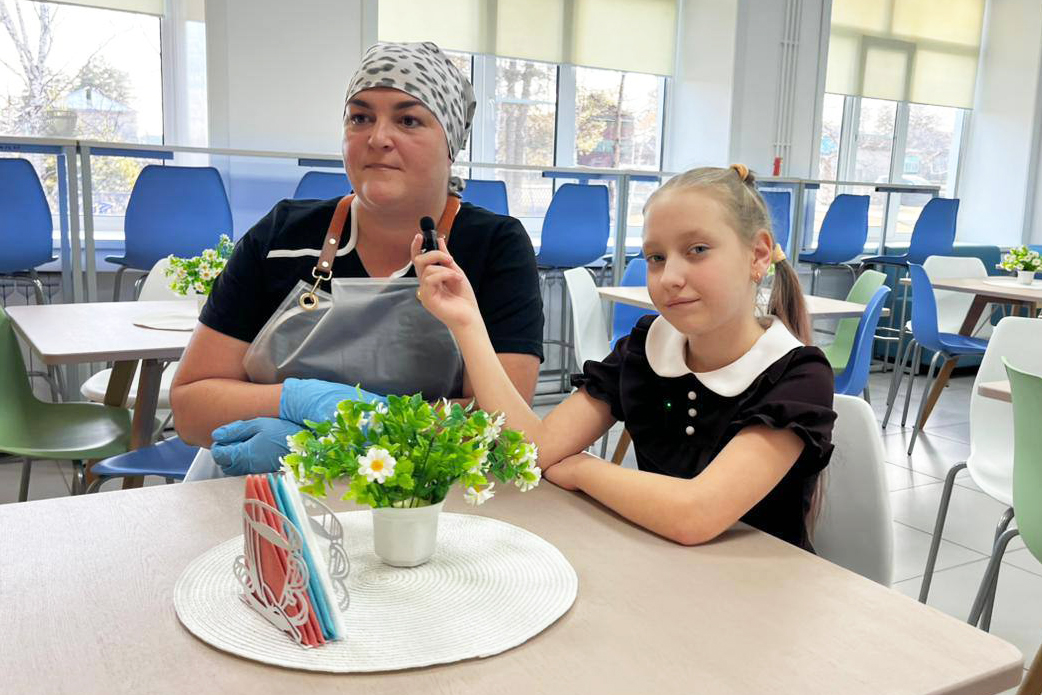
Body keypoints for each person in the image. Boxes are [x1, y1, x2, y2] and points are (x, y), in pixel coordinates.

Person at [414, 165, 836, 551]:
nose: (670, 277)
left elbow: (695, 515)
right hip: (660, 563)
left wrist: (583, 470)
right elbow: (535, 450)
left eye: (697, 249)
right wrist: (467, 322)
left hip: (763, 585)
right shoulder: (646, 347)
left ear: (758, 255)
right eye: (656, 258)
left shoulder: (797, 374)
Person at [172, 41, 543, 479]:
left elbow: (499, 429)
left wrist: (331, 439)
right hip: (263, 493)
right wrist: (297, 401)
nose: (378, 138)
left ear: (451, 143)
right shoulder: (281, 237)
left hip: (419, 501)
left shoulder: (493, 247)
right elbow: (191, 408)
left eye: (408, 120)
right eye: (360, 117)